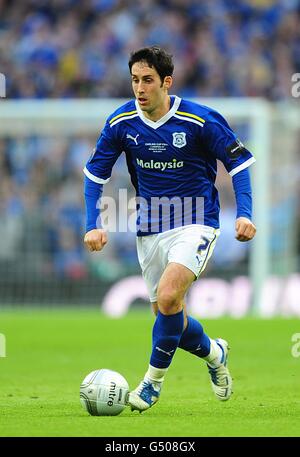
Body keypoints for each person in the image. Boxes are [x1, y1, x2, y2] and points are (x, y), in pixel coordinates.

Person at [83, 46, 256, 412]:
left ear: (166, 82)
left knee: (168, 298)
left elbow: (238, 163)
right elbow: (94, 174)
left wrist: (245, 213)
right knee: (169, 315)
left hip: (196, 222)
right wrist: (92, 224)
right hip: (149, 229)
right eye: (134, 80)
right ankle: (215, 352)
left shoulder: (200, 120)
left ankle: (151, 385)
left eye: (147, 80)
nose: (140, 88)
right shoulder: (121, 122)